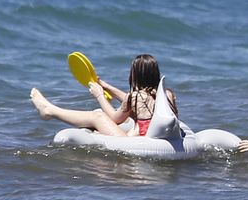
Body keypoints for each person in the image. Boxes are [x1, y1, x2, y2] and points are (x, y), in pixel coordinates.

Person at [30, 53, 179, 138]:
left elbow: (115, 118)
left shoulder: (135, 97)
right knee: (121, 117)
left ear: (135, 75)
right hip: (160, 140)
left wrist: (99, 95)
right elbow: (135, 102)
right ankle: (50, 110)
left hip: (138, 143)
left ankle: (49, 110)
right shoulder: (166, 94)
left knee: (98, 115)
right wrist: (107, 86)